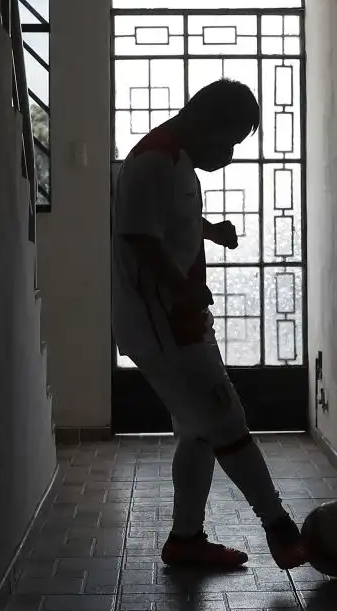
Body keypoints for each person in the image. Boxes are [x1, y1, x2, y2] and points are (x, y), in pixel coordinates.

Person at [112, 79, 309, 570]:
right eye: (229, 141)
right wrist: (182, 289)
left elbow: (165, 218)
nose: (230, 153)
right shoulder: (154, 161)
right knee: (225, 418)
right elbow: (140, 237)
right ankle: (281, 529)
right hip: (165, 325)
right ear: (203, 121)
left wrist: (209, 229)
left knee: (198, 430)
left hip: (179, 319)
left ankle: (186, 541)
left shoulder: (176, 160)